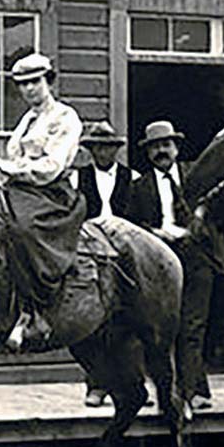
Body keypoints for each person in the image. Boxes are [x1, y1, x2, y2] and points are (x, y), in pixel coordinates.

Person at [0, 53, 85, 352]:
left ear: (49, 81)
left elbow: (52, 165)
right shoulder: (27, 120)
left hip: (52, 195)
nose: (29, 90)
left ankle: (34, 311)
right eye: (22, 85)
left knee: (20, 229)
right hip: (20, 189)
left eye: (35, 82)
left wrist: (9, 168)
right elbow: (16, 159)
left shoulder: (65, 117)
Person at [126, 121, 215, 412]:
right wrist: (154, 234)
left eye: (166, 144)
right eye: (154, 147)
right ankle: (169, 393)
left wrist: (196, 226)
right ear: (148, 153)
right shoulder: (139, 187)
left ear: (176, 147)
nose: (161, 151)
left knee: (193, 326)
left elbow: (215, 211)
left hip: (195, 258)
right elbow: (131, 226)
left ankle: (191, 393)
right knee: (162, 327)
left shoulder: (195, 177)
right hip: (158, 262)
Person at [69, 120, 141, 406]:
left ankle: (132, 386)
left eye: (109, 148)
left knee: (128, 320)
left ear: (116, 150)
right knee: (92, 321)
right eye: (98, 147)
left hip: (124, 251)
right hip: (90, 251)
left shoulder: (132, 177)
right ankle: (96, 386)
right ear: (91, 150)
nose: (103, 153)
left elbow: (137, 217)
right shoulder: (78, 178)